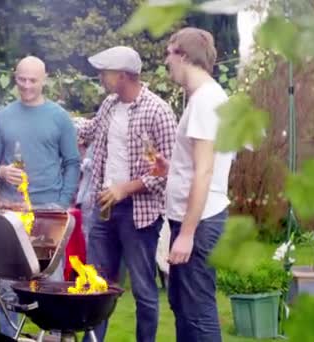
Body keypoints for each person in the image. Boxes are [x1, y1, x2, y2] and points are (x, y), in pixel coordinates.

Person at [77, 46, 177, 342]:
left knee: (144, 290)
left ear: (122, 75)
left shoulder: (158, 111)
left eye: (104, 72)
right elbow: (89, 131)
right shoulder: (109, 104)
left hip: (139, 215)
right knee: (96, 286)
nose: (100, 77)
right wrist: (63, 121)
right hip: (103, 208)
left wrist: (124, 189)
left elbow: (168, 172)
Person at [0, 56, 81, 338]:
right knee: (8, 284)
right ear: (15, 77)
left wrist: (61, 202)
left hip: (48, 210)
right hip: (12, 210)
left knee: (51, 282)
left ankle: (54, 337)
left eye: (32, 80)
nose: (26, 86)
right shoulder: (3, 116)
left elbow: (72, 162)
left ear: (44, 79)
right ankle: (10, 337)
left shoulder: (58, 117)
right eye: (21, 80)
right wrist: (1, 170)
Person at [155, 27, 233, 342]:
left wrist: (186, 235)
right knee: (184, 308)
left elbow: (205, 172)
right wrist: (171, 170)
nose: (166, 62)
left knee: (197, 313)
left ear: (184, 55)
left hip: (198, 225)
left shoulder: (206, 100)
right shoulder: (203, 98)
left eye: (169, 54)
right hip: (193, 221)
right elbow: (197, 167)